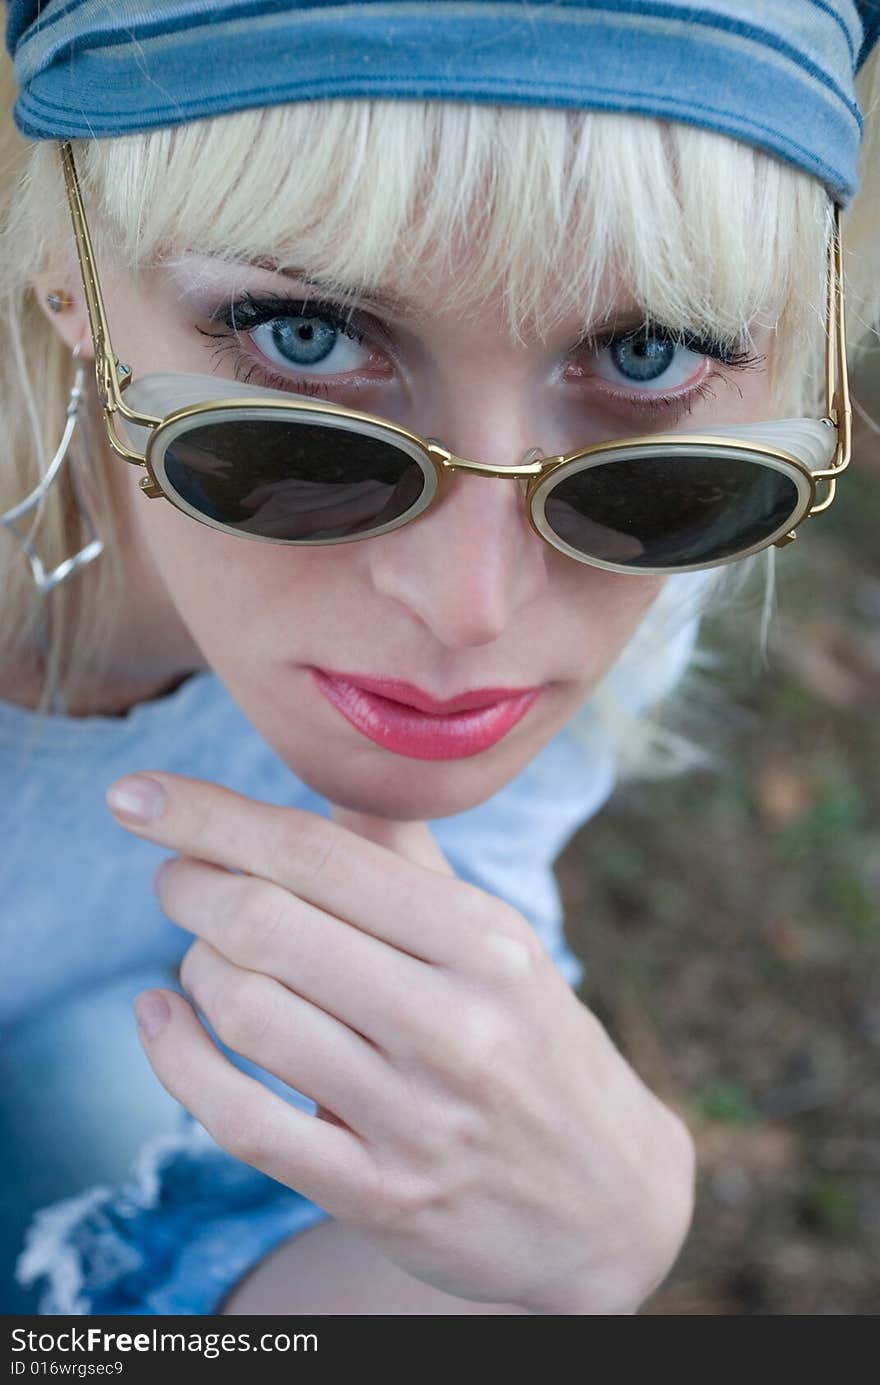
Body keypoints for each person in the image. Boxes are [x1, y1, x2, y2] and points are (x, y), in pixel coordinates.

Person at [0, 0, 877, 1317]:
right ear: (71, 278)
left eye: (650, 351)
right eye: (304, 335)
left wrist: (576, 1261)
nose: (475, 606)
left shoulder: (643, 517)